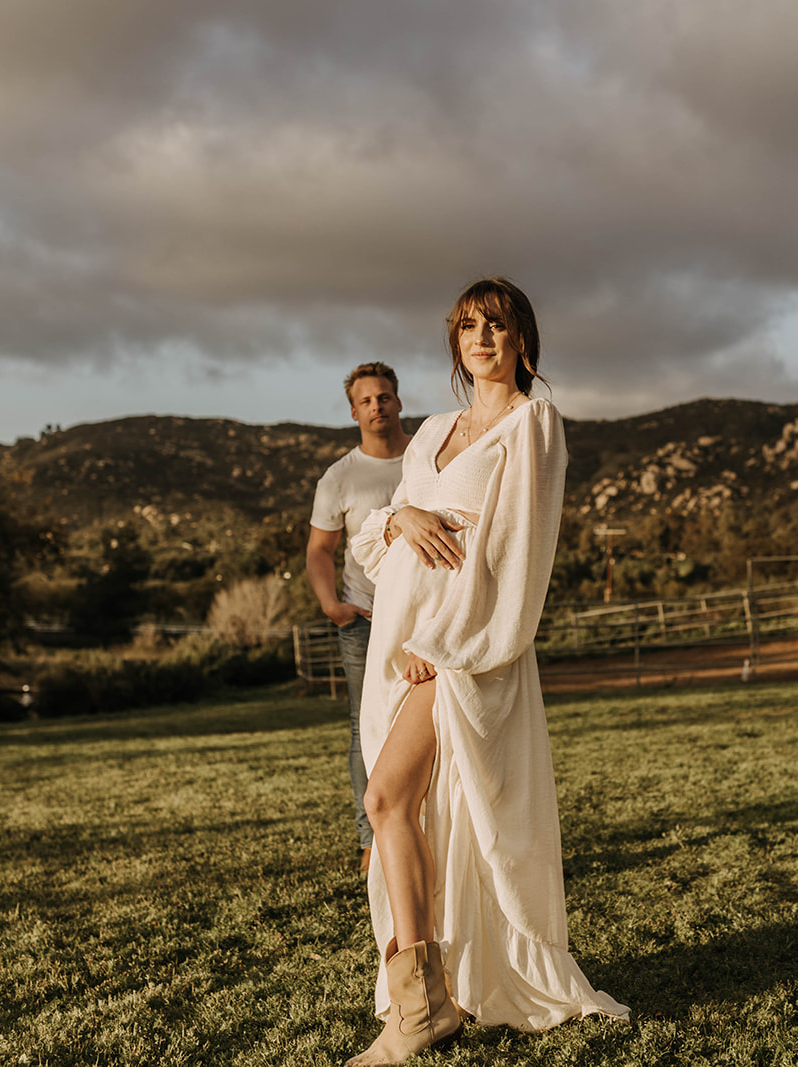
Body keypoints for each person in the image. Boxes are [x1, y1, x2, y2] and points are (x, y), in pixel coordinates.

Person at [343, 279, 628, 1065]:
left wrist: (447, 644)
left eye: (496, 325)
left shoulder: (533, 424)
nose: (482, 338)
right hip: (401, 642)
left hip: (461, 651)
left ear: (522, 340)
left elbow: (517, 554)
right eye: (469, 326)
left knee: (384, 795)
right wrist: (399, 514)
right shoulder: (434, 426)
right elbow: (382, 533)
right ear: (455, 342)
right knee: (406, 807)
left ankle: (419, 1009)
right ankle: (426, 995)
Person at [307, 363, 411, 876]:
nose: (377, 406)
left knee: (437, 719)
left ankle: (433, 828)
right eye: (367, 400)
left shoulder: (427, 459)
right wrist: (332, 605)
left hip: (423, 616)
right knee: (364, 725)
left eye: (385, 396)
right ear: (354, 412)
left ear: (398, 402)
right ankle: (370, 837)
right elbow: (319, 551)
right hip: (364, 619)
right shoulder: (340, 477)